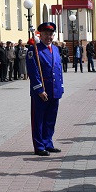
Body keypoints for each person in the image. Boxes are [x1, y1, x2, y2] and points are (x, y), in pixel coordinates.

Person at [26, 22, 64, 156]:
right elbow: (33, 71)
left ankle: (48, 143)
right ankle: (39, 146)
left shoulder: (56, 49)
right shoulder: (34, 50)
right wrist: (39, 90)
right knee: (39, 119)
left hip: (54, 90)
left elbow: (59, 69)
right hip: (41, 91)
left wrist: (61, 86)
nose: (49, 36)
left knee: (50, 119)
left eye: (51, 34)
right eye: (46, 34)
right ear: (40, 35)